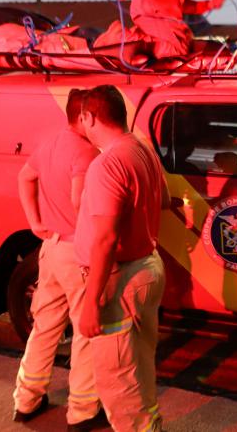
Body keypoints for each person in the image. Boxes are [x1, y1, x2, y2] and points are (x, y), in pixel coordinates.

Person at [75, 85, 169, 432]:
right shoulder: (140, 149)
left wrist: (90, 301)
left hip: (121, 280)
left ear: (90, 117)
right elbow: (164, 198)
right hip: (147, 267)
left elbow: (105, 238)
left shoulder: (107, 164)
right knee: (140, 370)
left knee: (120, 386)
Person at [12, 89, 103, 429]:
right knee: (86, 332)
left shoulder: (50, 143)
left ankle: (27, 399)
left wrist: (35, 221)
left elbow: (25, 177)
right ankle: (82, 411)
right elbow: (81, 202)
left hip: (49, 249)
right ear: (83, 117)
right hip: (78, 251)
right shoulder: (88, 153)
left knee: (45, 326)